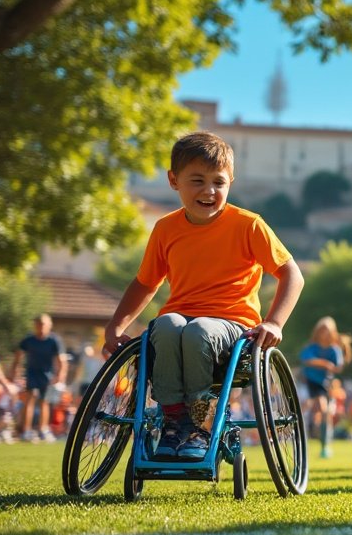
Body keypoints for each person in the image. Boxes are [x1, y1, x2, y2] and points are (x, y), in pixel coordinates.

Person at [103, 131, 303, 462]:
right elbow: (145, 283)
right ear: (173, 180)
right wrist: (115, 326)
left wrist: (274, 322)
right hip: (180, 319)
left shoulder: (248, 225)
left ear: (230, 183)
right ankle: (173, 420)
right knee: (164, 324)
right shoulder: (166, 229)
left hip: (232, 324)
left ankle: (198, 423)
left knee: (200, 331)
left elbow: (291, 274)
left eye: (218, 182)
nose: (209, 191)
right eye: (197, 180)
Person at [11, 314, 66, 442]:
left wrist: (60, 375)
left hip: (47, 375)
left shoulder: (54, 341)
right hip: (31, 373)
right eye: (38, 324)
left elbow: (61, 360)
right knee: (31, 398)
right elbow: (18, 357)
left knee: (44, 402)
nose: (40, 327)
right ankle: (26, 431)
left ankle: (43, 430)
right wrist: (15, 371)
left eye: (43, 324)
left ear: (49, 325)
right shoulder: (29, 340)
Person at [300, 316, 346, 459]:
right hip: (312, 381)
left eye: (327, 331)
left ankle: (325, 444)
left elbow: (338, 367)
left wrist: (331, 367)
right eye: (322, 331)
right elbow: (307, 360)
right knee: (321, 408)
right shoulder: (311, 347)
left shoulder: (335, 349)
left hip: (326, 383)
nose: (324, 334)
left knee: (325, 413)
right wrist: (325, 364)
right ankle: (310, 437)